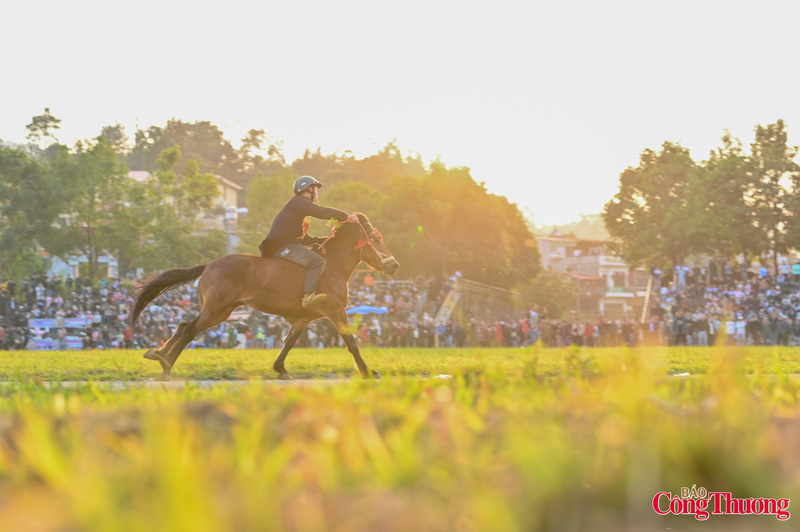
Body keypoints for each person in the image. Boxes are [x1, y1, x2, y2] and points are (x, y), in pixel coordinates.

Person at [258, 176, 358, 308]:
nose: (317, 192)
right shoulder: (298, 201)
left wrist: (326, 241)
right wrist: (344, 216)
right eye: (315, 189)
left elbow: (306, 239)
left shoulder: (296, 212)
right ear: (308, 189)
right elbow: (318, 211)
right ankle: (307, 297)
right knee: (317, 261)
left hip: (284, 244)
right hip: (280, 246)